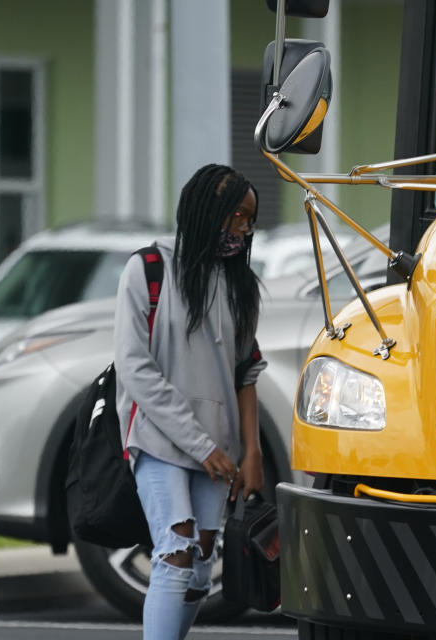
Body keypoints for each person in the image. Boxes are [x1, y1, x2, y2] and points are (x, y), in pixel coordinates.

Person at [113, 163, 267, 639]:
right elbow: (134, 367)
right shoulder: (147, 270)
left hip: (218, 453)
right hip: (159, 439)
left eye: (249, 220)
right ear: (207, 210)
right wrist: (200, 445)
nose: (243, 229)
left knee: (199, 570)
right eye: (236, 216)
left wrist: (252, 452)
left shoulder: (241, 287)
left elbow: (246, 374)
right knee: (176, 552)